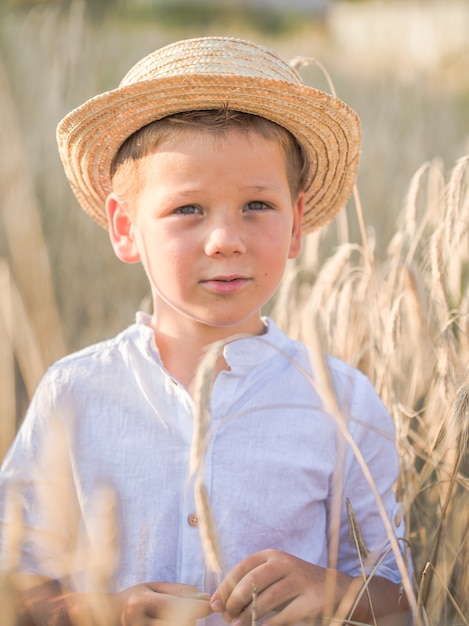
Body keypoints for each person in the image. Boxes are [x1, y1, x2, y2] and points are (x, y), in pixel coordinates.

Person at [0, 37, 411, 626]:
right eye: (188, 209)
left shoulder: (342, 401)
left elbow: (403, 596)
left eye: (257, 206)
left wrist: (337, 592)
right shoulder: (74, 393)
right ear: (125, 228)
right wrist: (99, 611)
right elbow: (16, 582)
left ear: (296, 226)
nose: (225, 239)